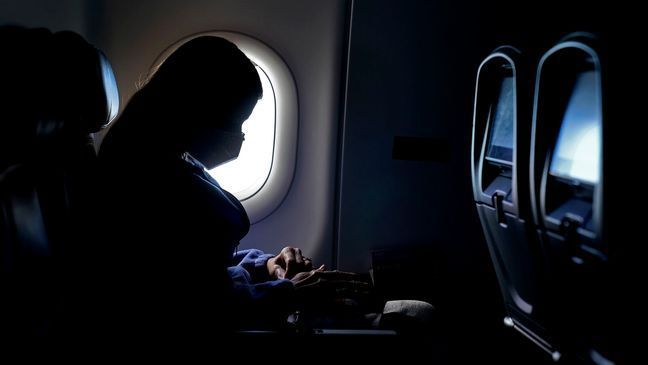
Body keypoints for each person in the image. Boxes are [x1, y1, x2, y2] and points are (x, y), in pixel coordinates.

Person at [97, 36, 366, 335]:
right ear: (196, 111)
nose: (240, 137)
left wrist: (266, 264)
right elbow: (185, 304)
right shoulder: (141, 182)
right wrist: (288, 292)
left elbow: (200, 270)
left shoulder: (171, 158)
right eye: (235, 122)